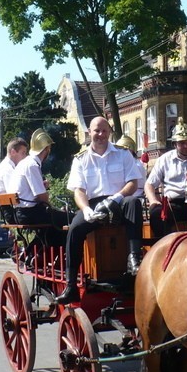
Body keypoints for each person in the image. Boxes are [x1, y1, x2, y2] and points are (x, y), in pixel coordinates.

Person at [56, 117, 143, 304]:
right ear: (89, 132)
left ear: (110, 131)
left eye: (104, 131)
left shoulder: (123, 154)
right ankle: (71, 285)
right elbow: (79, 191)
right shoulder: (80, 159)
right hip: (94, 205)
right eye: (97, 131)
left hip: (118, 200)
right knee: (74, 229)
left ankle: (134, 259)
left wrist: (117, 197)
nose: (101, 135)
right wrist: (86, 209)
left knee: (133, 202)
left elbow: (133, 183)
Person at [6, 129, 69, 242]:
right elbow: (42, 197)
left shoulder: (24, 163)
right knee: (69, 219)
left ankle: (34, 254)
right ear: (47, 149)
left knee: (52, 227)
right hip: (29, 214)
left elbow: (28, 191)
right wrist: (55, 209)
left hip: (20, 213)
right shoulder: (32, 165)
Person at [0, 137, 29, 222]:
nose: (25, 156)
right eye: (23, 153)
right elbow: (15, 192)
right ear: (13, 152)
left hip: (11, 212)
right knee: (53, 217)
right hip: (13, 214)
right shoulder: (8, 169)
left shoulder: (5, 166)